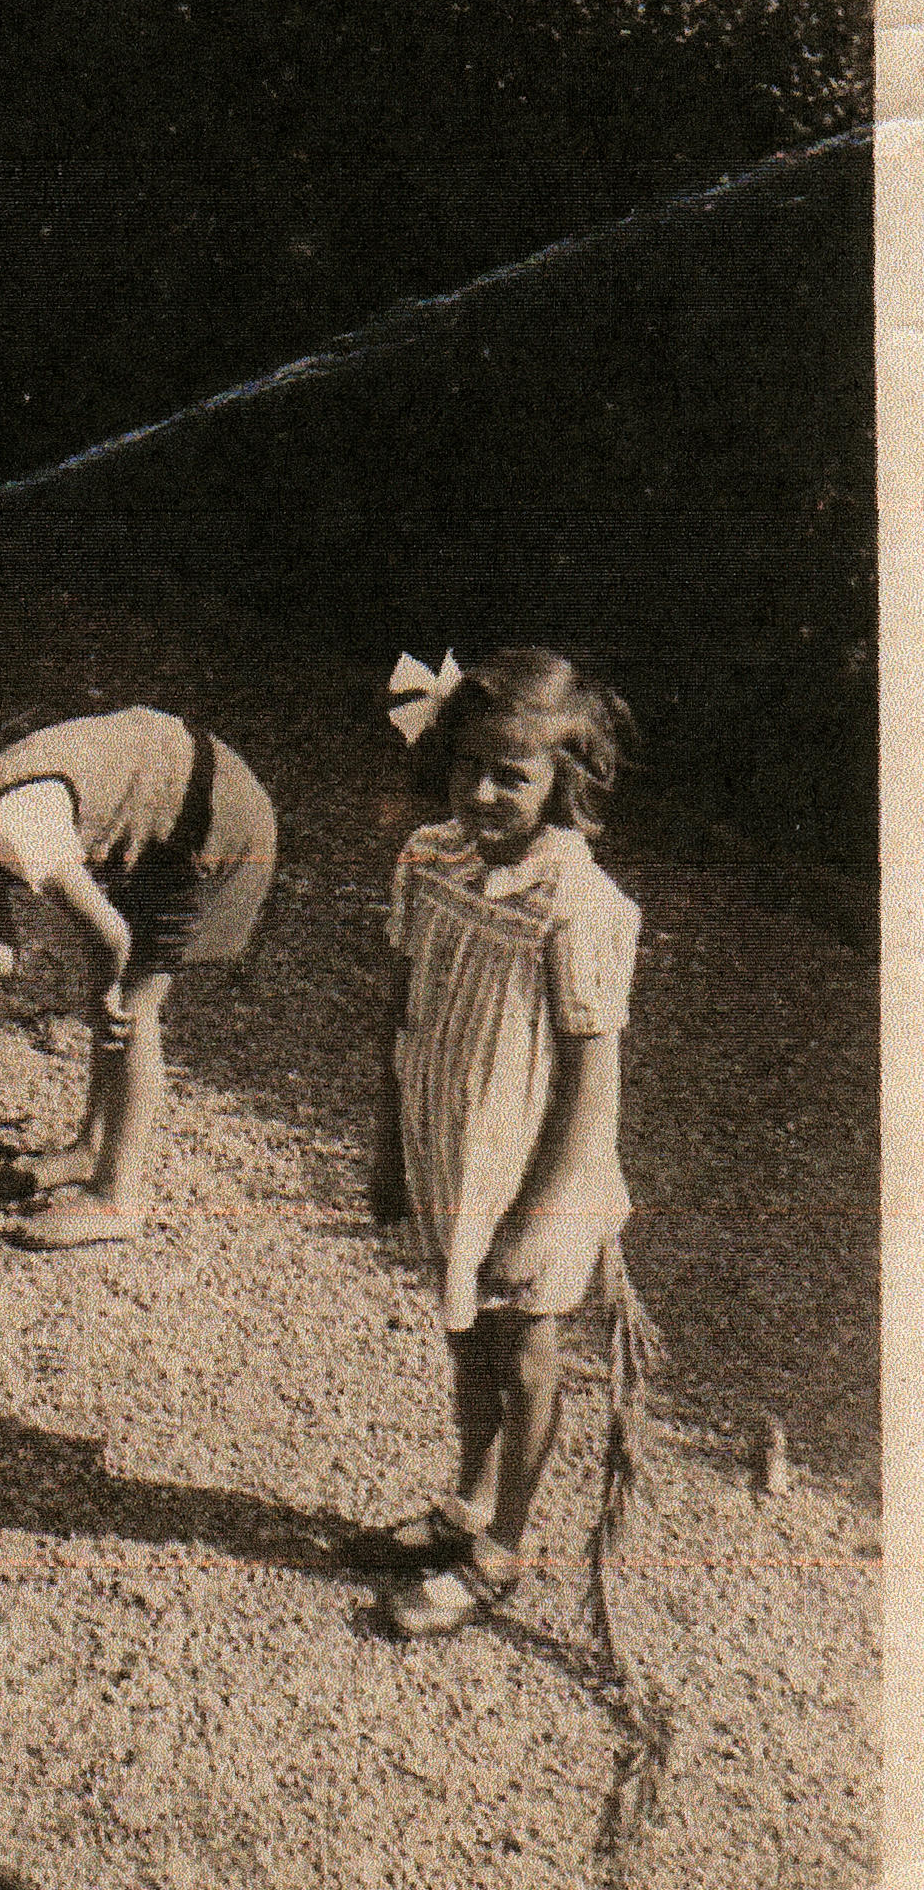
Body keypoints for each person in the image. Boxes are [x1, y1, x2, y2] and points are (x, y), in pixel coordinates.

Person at [369, 646, 642, 1639]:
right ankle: (465, 1502)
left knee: (523, 1351)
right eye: (467, 765)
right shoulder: (426, 859)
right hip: (450, 1151)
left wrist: (539, 1215)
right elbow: (398, 1011)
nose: (482, 791)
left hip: (536, 1172)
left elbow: (589, 1080)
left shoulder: (578, 905)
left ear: (562, 785)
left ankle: (504, 1547)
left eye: (512, 775)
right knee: (462, 1335)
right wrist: (384, 1145)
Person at [0, 706, 277, 1250]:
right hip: (168, 803)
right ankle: (92, 1147)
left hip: (207, 820)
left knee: (132, 1007)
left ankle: (118, 1198)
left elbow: (110, 936)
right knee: (113, 997)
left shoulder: (12, 825)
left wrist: (105, 995)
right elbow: (10, 960)